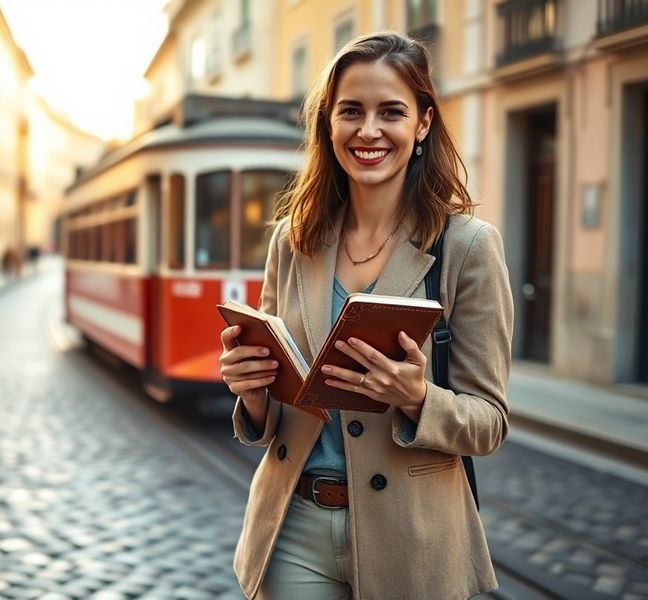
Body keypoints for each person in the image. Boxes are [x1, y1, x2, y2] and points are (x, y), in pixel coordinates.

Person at [219, 32, 513, 600]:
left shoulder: (467, 247)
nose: (369, 131)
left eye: (392, 112)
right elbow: (284, 402)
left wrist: (417, 397)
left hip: (412, 538)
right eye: (351, 111)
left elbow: (489, 421)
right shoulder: (293, 240)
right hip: (294, 527)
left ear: (423, 123)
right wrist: (251, 392)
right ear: (328, 125)